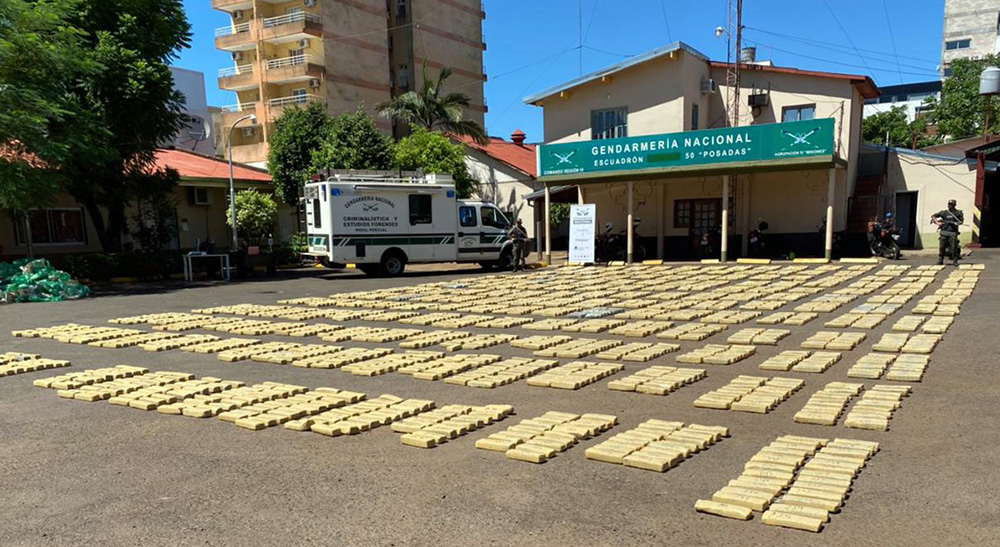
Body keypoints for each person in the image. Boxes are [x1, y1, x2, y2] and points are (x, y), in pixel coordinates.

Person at [930, 199, 964, 266]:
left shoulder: (958, 213)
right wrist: (938, 223)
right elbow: (933, 216)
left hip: (952, 232)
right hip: (944, 232)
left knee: (954, 247)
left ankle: (955, 260)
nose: (950, 206)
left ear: (954, 205)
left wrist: (957, 223)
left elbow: (961, 221)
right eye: (949, 204)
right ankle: (940, 260)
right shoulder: (944, 213)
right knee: (942, 247)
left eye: (951, 204)